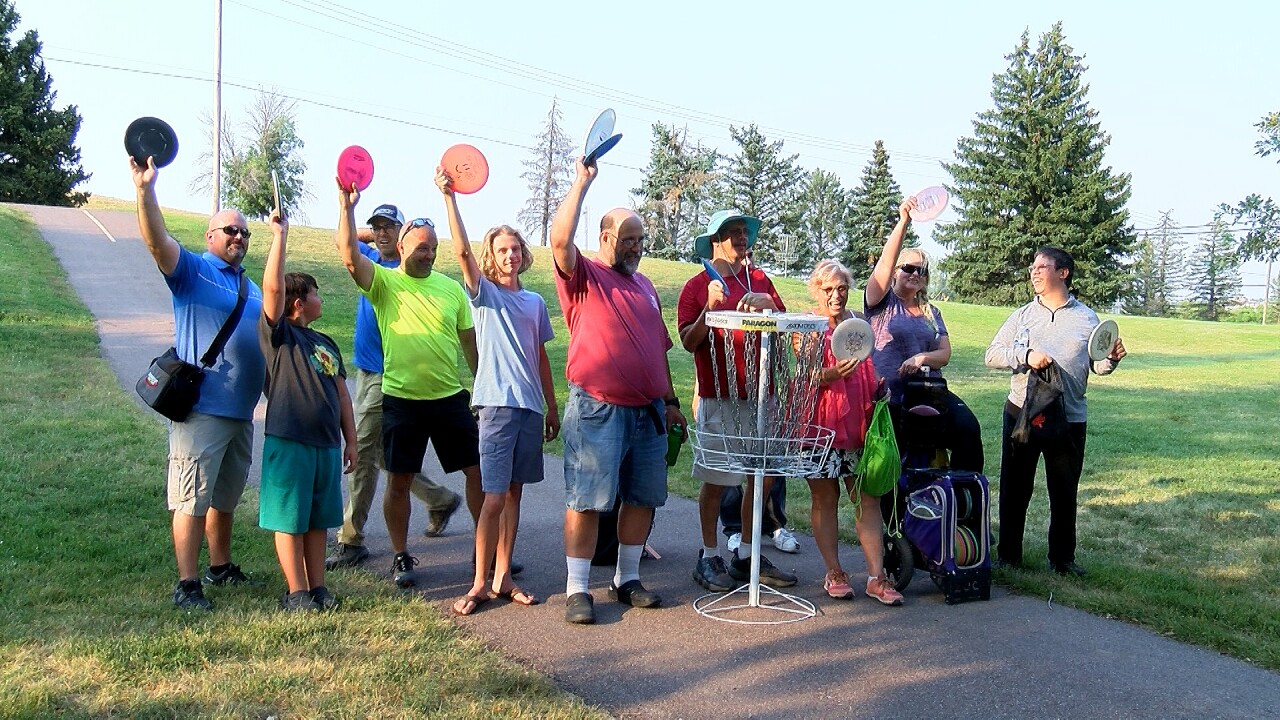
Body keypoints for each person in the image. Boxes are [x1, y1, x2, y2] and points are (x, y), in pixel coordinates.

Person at [549, 157, 686, 625]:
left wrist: (669, 401)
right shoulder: (583, 275)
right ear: (605, 238)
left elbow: (658, 349)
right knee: (587, 498)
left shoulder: (646, 286)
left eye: (641, 241)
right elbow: (560, 241)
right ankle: (577, 588)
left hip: (647, 412)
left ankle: (626, 579)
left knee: (642, 497)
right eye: (628, 240)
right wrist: (581, 183)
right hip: (598, 409)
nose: (636, 249)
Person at [131, 156, 266, 611]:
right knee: (191, 496)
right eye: (230, 230)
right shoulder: (192, 272)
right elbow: (156, 241)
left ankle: (220, 566)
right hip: (202, 409)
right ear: (210, 237)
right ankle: (187, 583)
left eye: (244, 232)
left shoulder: (251, 287)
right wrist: (145, 191)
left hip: (241, 413)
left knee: (225, 496)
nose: (239, 237)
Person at [333, 178, 482, 589]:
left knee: (477, 474)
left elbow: (470, 345)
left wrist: (482, 390)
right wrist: (347, 208)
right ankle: (401, 556)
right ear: (401, 249)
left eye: (434, 248)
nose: (429, 255)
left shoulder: (451, 289)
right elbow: (349, 255)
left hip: (449, 398)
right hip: (401, 399)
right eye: (422, 249)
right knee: (398, 480)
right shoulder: (384, 283)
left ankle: (483, 551)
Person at [437, 168, 559, 615]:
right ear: (492, 258)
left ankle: (504, 577)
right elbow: (462, 251)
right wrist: (450, 199)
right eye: (501, 250)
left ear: (523, 254)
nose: (509, 255)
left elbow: (540, 356)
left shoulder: (535, 302)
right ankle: (479, 583)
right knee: (491, 499)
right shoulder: (482, 294)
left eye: (514, 248)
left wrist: (551, 405)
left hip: (529, 408)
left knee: (514, 496)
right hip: (495, 407)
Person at [985, 247, 1126, 576]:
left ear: (1063, 273)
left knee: (1064, 491)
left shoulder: (1087, 319)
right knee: (1014, 488)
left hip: (1070, 418)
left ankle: (1063, 559)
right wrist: (1026, 354)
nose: (1034, 272)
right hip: (1022, 413)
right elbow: (992, 354)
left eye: (1042, 267)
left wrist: (1112, 359)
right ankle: (1009, 556)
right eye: (1032, 267)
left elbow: (1098, 365)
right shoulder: (1022, 316)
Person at [677, 210, 797, 592]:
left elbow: (786, 327)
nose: (741, 238)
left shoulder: (761, 279)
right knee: (716, 479)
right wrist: (709, 311)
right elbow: (687, 342)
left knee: (758, 479)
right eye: (732, 233)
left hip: (762, 397)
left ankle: (747, 556)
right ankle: (708, 554)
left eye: (745, 232)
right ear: (715, 240)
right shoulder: (697, 286)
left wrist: (771, 305)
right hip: (720, 396)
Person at [258, 209, 357, 611]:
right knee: (289, 518)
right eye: (316, 293)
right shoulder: (280, 334)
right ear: (299, 302)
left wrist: (350, 441)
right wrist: (279, 236)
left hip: (325, 445)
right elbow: (272, 291)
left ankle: (318, 588)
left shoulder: (326, 342)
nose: (322, 298)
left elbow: (343, 395)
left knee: (318, 520)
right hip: (290, 440)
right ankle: (296, 591)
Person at [805, 260, 904, 605]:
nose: (835, 295)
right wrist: (829, 375)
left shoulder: (856, 325)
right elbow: (797, 379)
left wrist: (877, 389)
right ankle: (834, 571)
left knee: (867, 497)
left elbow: (866, 368)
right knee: (825, 498)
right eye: (828, 289)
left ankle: (877, 577)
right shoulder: (808, 326)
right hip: (820, 427)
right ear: (816, 291)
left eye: (842, 288)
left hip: (860, 424)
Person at [864, 197, 984, 472]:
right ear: (895, 273)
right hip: (892, 399)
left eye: (922, 270)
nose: (915, 273)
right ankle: (897, 513)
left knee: (968, 429)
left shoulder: (932, 312)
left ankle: (963, 497)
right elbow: (883, 264)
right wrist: (904, 221)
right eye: (908, 268)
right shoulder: (881, 303)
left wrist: (922, 358)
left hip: (930, 394)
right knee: (894, 466)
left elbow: (944, 354)